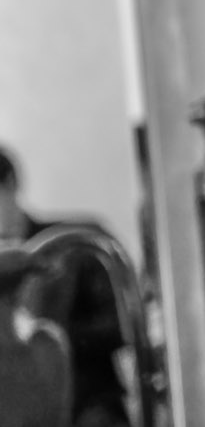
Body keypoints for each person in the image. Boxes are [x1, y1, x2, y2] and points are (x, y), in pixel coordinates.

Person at [0, 147, 130, 426]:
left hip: (88, 404)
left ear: (9, 183)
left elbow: (122, 326)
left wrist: (52, 337)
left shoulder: (74, 247)